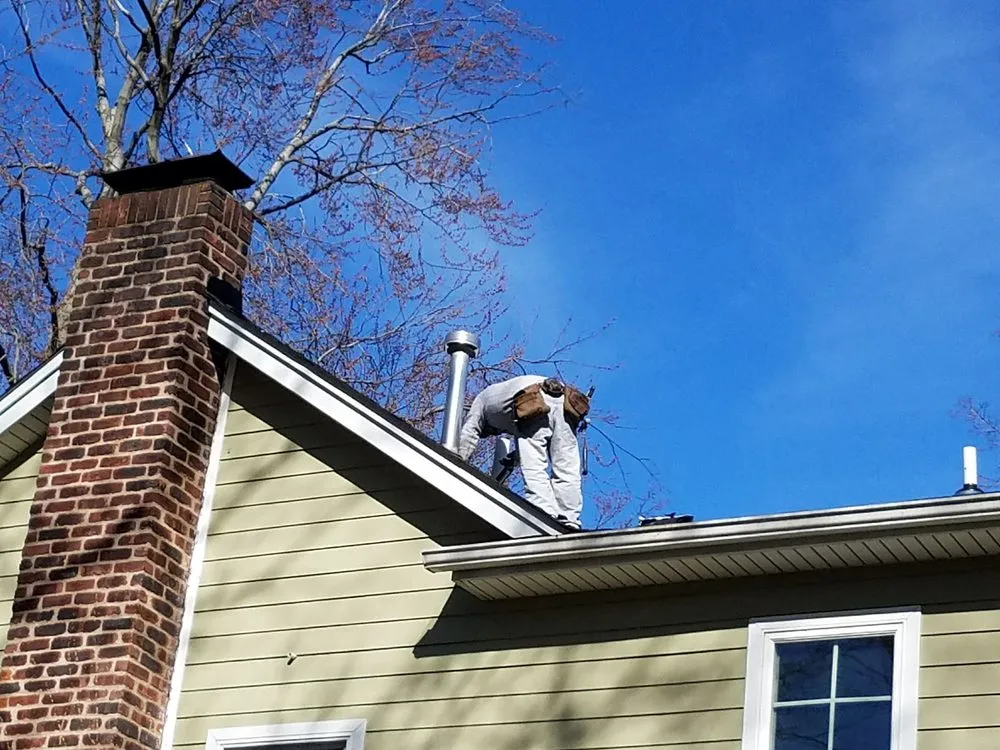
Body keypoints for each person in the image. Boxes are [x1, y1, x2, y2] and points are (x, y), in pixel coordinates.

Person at [458, 375, 587, 529]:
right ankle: (570, 519)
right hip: (565, 399)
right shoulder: (500, 394)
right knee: (567, 467)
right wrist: (515, 458)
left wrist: (457, 460)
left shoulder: (479, 403)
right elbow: (535, 436)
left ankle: (543, 512)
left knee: (534, 466)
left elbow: (468, 434)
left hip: (531, 399)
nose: (496, 432)